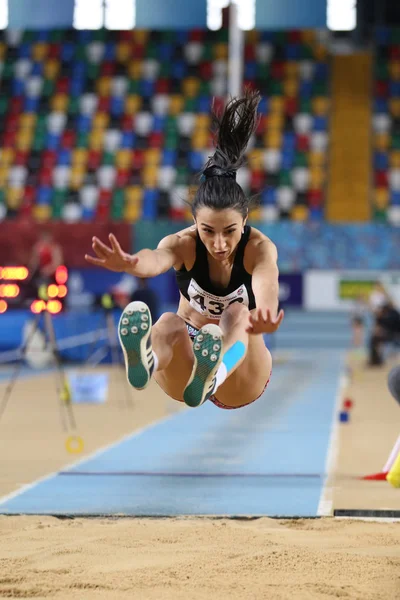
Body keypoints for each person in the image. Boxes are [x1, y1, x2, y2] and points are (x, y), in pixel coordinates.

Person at [85, 90, 284, 409]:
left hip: (240, 371)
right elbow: (157, 259)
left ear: (245, 220)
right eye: (208, 231)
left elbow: (267, 281)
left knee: (237, 314)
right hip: (185, 367)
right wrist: (132, 263)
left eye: (230, 231)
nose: (219, 244)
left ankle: (214, 375)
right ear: (194, 222)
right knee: (167, 322)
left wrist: (267, 312)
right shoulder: (184, 243)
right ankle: (147, 362)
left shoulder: (258, 248)